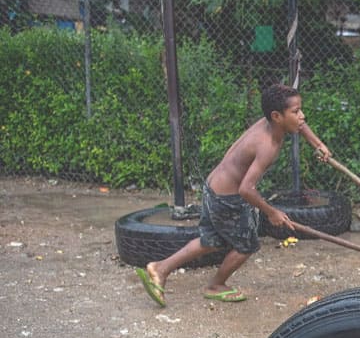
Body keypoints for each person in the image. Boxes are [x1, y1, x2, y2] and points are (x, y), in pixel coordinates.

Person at [136, 84, 332, 307]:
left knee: (210, 240)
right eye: (296, 111)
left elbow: (300, 125)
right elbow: (246, 189)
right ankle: (216, 285)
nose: (302, 116)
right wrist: (272, 212)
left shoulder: (270, 123)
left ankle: (160, 268)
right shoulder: (267, 145)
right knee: (246, 245)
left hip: (213, 187)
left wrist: (318, 144)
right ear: (277, 116)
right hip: (228, 199)